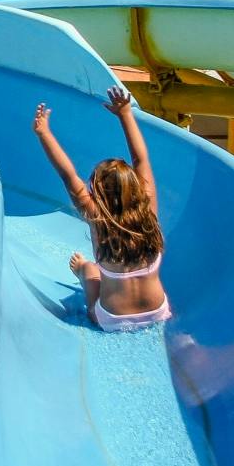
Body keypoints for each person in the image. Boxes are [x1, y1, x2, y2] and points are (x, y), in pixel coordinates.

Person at [32, 86, 171, 332]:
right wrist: (125, 113)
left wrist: (44, 133)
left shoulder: (98, 219)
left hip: (110, 318)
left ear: (98, 192)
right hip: (159, 311)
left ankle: (81, 271)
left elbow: (68, 174)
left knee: (90, 269)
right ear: (136, 188)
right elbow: (141, 160)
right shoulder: (148, 212)